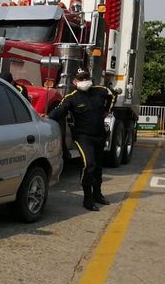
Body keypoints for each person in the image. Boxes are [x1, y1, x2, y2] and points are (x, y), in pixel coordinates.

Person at [47, 70, 116, 211]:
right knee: (88, 164)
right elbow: (57, 112)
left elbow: (112, 95)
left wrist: (107, 110)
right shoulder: (71, 98)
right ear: (74, 81)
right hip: (83, 137)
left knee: (97, 167)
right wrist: (46, 117)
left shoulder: (100, 91)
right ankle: (88, 197)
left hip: (99, 135)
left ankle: (98, 194)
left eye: (85, 77)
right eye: (80, 78)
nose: (84, 80)